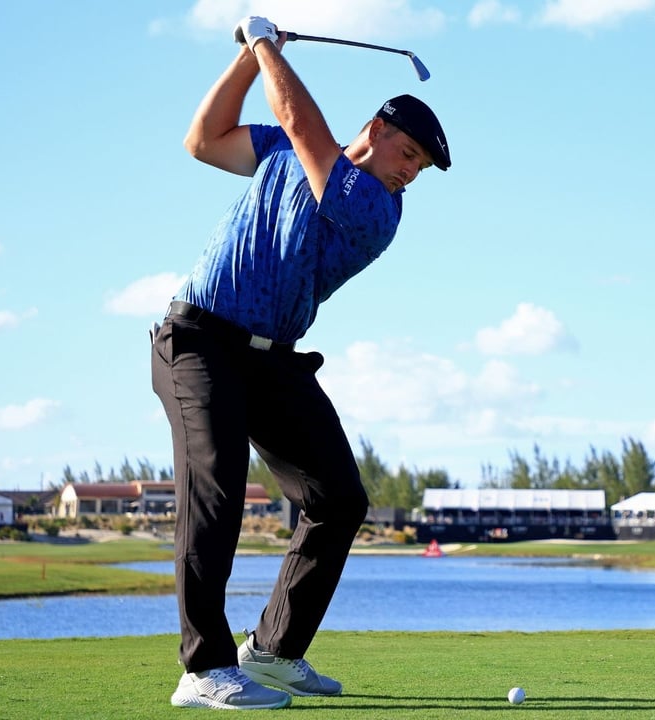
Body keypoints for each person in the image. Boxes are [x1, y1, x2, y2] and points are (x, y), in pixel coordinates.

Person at [151, 15, 451, 711]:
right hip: (198, 341)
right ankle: (203, 669)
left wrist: (263, 45)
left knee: (338, 498)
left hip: (270, 362)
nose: (410, 173)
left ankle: (276, 652)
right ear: (375, 130)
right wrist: (250, 62)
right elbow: (203, 140)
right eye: (406, 153)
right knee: (218, 489)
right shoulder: (287, 154)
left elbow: (295, 115)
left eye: (419, 167)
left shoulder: (375, 209)